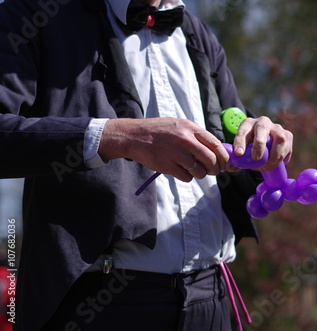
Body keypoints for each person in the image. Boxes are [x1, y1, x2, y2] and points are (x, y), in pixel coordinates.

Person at [0, 0, 293, 330]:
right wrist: (119, 136)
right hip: (101, 306)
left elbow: (235, 129)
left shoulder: (198, 33)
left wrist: (261, 144)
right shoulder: (31, 13)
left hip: (213, 297)